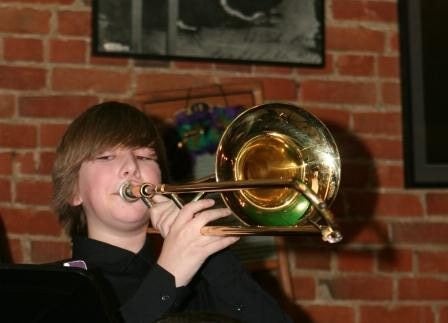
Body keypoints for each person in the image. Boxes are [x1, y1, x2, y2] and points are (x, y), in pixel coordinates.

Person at [52, 101, 292, 323]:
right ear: (74, 190)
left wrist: (207, 247)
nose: (132, 168)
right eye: (106, 156)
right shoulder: (54, 287)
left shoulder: (203, 279)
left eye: (144, 156)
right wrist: (170, 275)